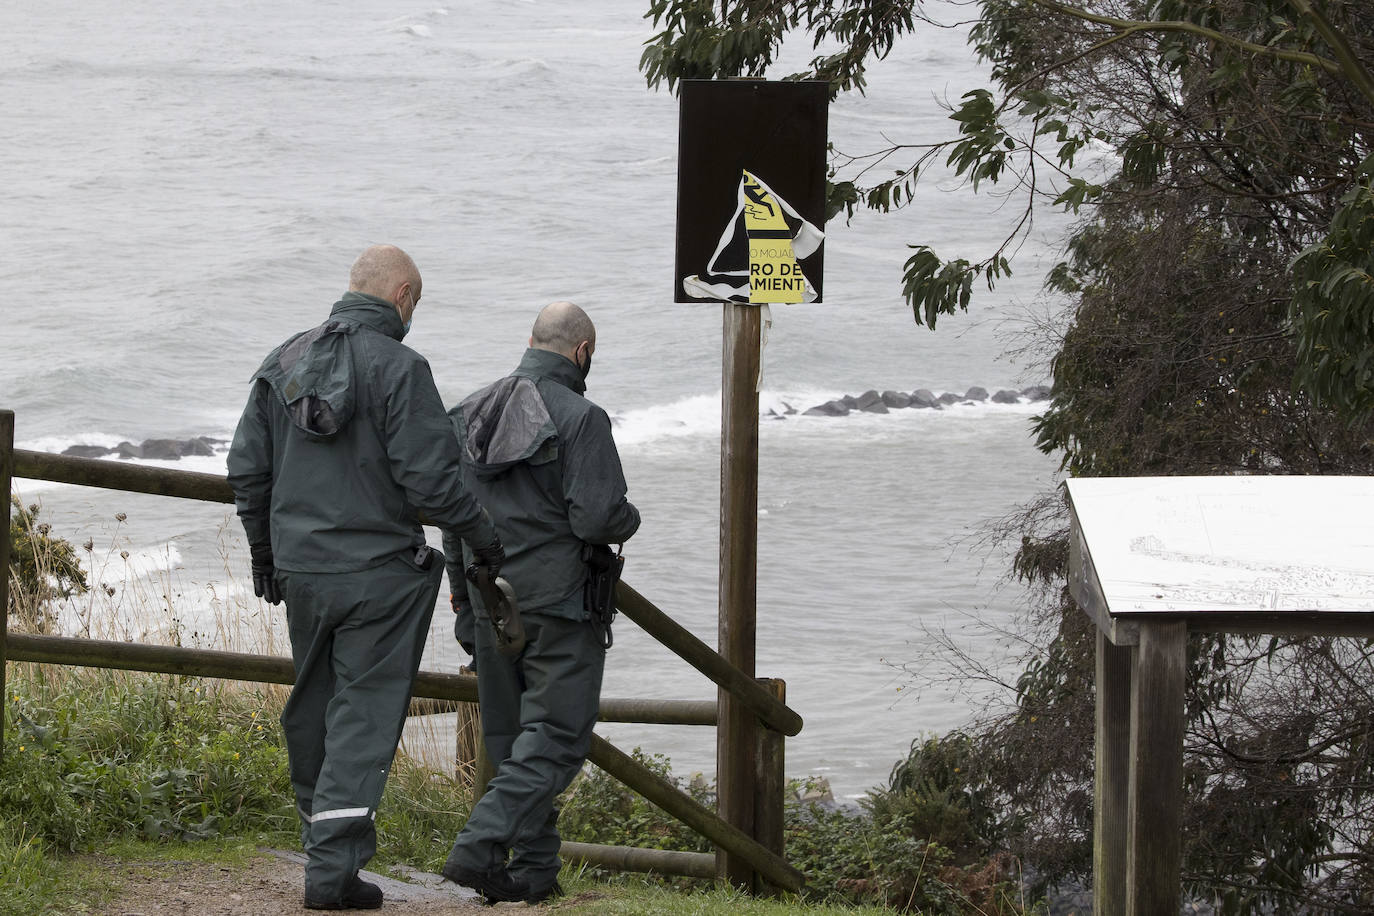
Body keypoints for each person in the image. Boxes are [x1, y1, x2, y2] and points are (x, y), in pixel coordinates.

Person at [226, 244, 504, 911]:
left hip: (302, 570)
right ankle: (330, 870)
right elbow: (431, 484)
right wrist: (487, 536)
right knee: (363, 714)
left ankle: (322, 843)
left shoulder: (283, 359)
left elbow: (247, 469)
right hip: (378, 575)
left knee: (314, 706)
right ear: (403, 294)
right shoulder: (402, 368)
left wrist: (266, 555)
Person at [440, 301, 640, 904]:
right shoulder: (582, 417)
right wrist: (630, 516)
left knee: (508, 737)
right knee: (556, 735)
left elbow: (453, 520)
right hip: (557, 604)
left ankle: (530, 870)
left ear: (530, 341)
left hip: (487, 598)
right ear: (582, 352)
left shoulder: (467, 411)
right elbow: (599, 517)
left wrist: (460, 596)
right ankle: (479, 848)